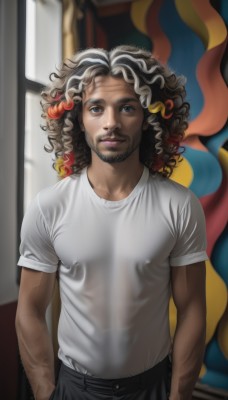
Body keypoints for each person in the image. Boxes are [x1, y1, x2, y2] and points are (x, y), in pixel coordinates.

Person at [16, 45, 207, 400]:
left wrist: (178, 395)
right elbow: (29, 308)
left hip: (154, 386)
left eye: (127, 108)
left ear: (150, 117)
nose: (111, 123)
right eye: (96, 108)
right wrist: (46, 392)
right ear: (77, 118)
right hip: (75, 388)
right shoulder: (49, 206)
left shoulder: (180, 205)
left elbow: (193, 307)